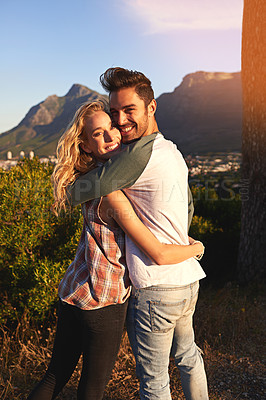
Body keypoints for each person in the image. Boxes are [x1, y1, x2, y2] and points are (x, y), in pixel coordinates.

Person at [27, 101, 205, 400]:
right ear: (84, 145)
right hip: (103, 300)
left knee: (54, 376)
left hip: (74, 289)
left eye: (112, 128)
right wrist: (196, 247)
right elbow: (159, 254)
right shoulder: (112, 194)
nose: (112, 136)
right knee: (93, 390)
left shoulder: (91, 181)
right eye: (99, 133)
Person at [67, 68, 209, 399]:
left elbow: (81, 191)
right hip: (187, 281)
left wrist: (73, 174)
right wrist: (190, 246)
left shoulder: (137, 155)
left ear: (151, 108)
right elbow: (188, 209)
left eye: (129, 110)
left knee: (154, 379)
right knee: (189, 357)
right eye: (115, 113)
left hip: (157, 285)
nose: (120, 121)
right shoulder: (171, 150)